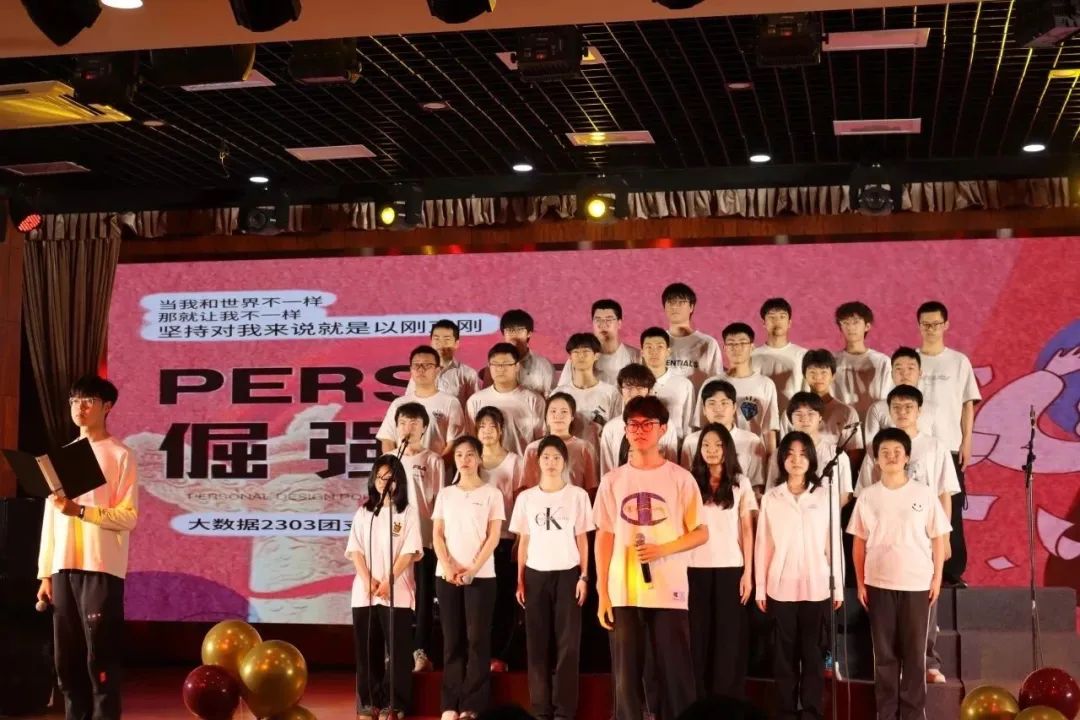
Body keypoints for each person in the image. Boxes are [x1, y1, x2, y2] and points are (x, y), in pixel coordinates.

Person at [594, 396, 708, 720]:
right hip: (624, 590)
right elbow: (604, 535)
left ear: (663, 429)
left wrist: (663, 549)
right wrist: (603, 591)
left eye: (648, 424)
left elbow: (701, 532)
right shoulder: (613, 480)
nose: (640, 430)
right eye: (633, 424)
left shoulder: (680, 478)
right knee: (626, 676)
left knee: (675, 672)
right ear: (625, 430)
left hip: (668, 588)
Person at [36, 375, 138, 720]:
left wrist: (80, 511)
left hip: (101, 567)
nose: (79, 408)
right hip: (63, 567)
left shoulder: (121, 455)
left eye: (88, 401)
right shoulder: (61, 457)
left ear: (107, 407)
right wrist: (45, 574)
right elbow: (51, 519)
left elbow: (128, 516)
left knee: (100, 658)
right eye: (74, 401)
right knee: (67, 659)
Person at [854, 385, 960, 684]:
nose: (902, 412)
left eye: (908, 407)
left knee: (926, 599)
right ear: (889, 411)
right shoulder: (879, 447)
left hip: (923, 534)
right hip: (886, 543)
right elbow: (865, 493)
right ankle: (892, 671)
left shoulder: (934, 446)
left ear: (919, 411)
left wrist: (944, 536)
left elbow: (944, 492)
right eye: (896, 407)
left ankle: (927, 661)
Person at [849, 428, 950, 720]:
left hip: (917, 583)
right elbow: (859, 542)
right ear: (876, 459)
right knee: (884, 656)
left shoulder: (924, 493)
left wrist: (937, 579)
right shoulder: (868, 496)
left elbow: (938, 537)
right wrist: (860, 583)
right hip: (878, 582)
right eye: (885, 452)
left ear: (907, 457)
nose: (891, 457)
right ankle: (886, 713)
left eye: (897, 452)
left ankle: (913, 714)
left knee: (914, 655)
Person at [755, 431, 844, 720]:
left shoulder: (824, 495)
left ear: (811, 459)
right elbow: (763, 544)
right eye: (790, 454)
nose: (796, 460)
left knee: (813, 654)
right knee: (784, 656)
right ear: (782, 459)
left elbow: (833, 544)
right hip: (780, 587)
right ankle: (784, 712)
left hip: (817, 586)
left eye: (803, 454)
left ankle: (811, 712)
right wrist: (760, 588)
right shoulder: (772, 497)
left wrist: (838, 587)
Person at [510, 436, 594, 720]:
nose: (551, 463)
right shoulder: (526, 498)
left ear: (565, 462)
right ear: (538, 462)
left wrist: (584, 576)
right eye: (546, 457)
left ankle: (565, 712)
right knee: (537, 644)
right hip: (535, 575)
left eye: (557, 457)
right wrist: (520, 580)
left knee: (568, 646)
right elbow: (523, 541)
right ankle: (541, 710)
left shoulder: (578, 496)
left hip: (568, 573)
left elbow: (582, 539)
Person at [432, 436, 505, 720]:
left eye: (470, 454)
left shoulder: (492, 494)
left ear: (479, 459)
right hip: (447, 576)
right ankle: (449, 703)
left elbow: (494, 536)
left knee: (477, 640)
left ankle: (472, 704)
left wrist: (473, 569)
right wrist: (448, 565)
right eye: (460, 454)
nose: (465, 459)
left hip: (482, 576)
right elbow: (437, 535)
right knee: (452, 640)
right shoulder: (446, 494)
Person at [347, 455, 423, 720]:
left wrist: (389, 580)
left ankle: (395, 703)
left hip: (397, 591)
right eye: (379, 477)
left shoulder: (407, 513)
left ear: (398, 481)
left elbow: (410, 551)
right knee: (367, 650)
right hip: (365, 593)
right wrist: (369, 580)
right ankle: (368, 702)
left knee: (398, 651)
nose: (383, 482)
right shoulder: (364, 513)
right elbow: (355, 550)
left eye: (388, 478)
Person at [687, 424, 757, 700]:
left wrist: (748, 573)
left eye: (717, 445)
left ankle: (726, 702)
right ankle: (699, 701)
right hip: (694, 567)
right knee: (698, 637)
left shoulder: (741, 482)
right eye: (706, 445)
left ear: (727, 448)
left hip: (731, 567)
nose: (712, 450)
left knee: (728, 639)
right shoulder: (689, 481)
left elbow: (747, 530)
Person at [916, 300, 981, 587]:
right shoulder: (909, 360)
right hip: (916, 449)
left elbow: (968, 405)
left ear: (946, 325)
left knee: (950, 509)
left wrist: (967, 442)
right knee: (916, 509)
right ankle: (920, 568)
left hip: (950, 448)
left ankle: (952, 571)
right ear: (919, 326)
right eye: (926, 324)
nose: (931, 329)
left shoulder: (958, 361)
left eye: (936, 324)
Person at [392, 403, 446, 674]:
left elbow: (439, 502)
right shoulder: (389, 460)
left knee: (424, 596)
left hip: (424, 539)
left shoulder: (433, 460)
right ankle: (396, 650)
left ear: (424, 428)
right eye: (403, 422)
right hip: (395, 540)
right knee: (397, 595)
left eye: (414, 423)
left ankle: (420, 650)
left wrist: (437, 537)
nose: (408, 428)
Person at [475, 406, 526, 674]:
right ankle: (478, 654)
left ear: (501, 430)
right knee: (479, 602)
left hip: (505, 539)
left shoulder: (515, 461)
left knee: (504, 600)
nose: (487, 431)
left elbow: (520, 501)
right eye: (482, 426)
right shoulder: (470, 459)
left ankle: (500, 655)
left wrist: (518, 538)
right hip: (476, 543)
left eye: (491, 426)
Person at [698, 323, 780, 456]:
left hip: (752, 453)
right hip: (716, 454)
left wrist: (771, 462)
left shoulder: (765, 384)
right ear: (724, 348)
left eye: (742, 343)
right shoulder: (711, 383)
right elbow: (701, 425)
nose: (736, 348)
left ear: (752, 347)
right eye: (731, 344)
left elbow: (769, 430)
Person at [378, 345, 468, 455]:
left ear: (437, 370)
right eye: (416, 365)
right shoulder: (398, 404)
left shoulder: (450, 402)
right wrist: (393, 463)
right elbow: (387, 439)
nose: (421, 369)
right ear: (411, 370)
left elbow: (454, 443)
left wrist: (435, 463)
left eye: (427, 365)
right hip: (402, 465)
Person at [680, 379, 767, 490]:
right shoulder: (691, 441)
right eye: (712, 403)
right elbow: (685, 482)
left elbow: (757, 484)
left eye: (724, 403)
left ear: (734, 407)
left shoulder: (752, 441)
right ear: (704, 409)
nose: (718, 409)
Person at [599, 363, 680, 475]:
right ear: (620, 390)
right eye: (628, 387)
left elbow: (672, 467)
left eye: (639, 388)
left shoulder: (665, 425)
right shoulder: (611, 428)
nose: (634, 393)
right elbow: (606, 471)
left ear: (649, 391)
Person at [467, 343, 546, 456]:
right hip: (486, 465)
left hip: (522, 464)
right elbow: (472, 441)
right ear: (489, 366)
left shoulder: (534, 400)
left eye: (506, 364)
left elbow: (541, 442)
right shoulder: (475, 401)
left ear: (517, 366)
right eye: (495, 364)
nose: (500, 369)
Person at [552, 332, 622, 457]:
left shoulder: (611, 393)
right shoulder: (558, 394)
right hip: (566, 458)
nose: (581, 356)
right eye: (576, 352)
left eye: (586, 352)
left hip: (600, 458)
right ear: (570, 357)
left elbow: (617, 431)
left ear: (596, 355)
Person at [782, 349, 863, 455]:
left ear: (833, 376)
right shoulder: (792, 412)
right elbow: (783, 449)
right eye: (812, 372)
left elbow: (855, 451)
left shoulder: (847, 412)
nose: (818, 377)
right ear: (804, 376)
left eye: (823, 372)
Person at [522, 393, 598, 494]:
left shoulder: (584, 448)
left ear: (572, 417)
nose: (558, 416)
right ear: (546, 417)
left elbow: (591, 488)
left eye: (564, 411)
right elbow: (527, 488)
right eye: (553, 411)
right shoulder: (532, 449)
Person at [863, 347, 943, 443]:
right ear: (892, 374)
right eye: (899, 368)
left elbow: (941, 445)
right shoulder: (877, 408)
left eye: (910, 368)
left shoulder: (934, 409)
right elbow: (871, 446)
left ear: (920, 373)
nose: (904, 373)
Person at [831, 302, 893, 420]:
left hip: (876, 424)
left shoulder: (882, 362)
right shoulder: (832, 361)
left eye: (856, 322)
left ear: (867, 326)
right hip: (842, 424)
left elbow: (888, 399)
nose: (850, 327)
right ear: (840, 327)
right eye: (845, 323)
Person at [556, 299, 641, 386]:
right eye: (598, 320)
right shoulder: (579, 357)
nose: (603, 325)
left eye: (609, 320)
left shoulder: (635, 356)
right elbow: (562, 390)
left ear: (619, 323)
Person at [405, 319, 482, 408]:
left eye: (446, 339)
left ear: (456, 343)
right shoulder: (421, 372)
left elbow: (476, 407)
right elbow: (408, 402)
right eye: (436, 339)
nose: (441, 344)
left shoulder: (468, 374)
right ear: (431, 342)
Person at [751, 298, 807, 417]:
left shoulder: (803, 355)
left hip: (793, 420)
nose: (777, 321)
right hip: (761, 420)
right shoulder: (752, 356)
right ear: (763, 323)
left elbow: (808, 392)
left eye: (782, 317)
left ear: (789, 323)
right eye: (772, 317)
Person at [661, 282, 723, 390]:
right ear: (664, 308)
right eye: (670, 302)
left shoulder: (707, 343)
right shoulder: (655, 342)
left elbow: (717, 383)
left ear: (691, 307)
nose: (675, 306)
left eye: (681, 302)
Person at [640, 327, 696, 441]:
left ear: (668, 352)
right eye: (649, 347)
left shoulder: (684, 385)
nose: (654, 352)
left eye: (659, 347)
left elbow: (689, 426)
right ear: (642, 353)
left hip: (675, 447)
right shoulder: (634, 385)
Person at [496, 309, 556, 395]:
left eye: (519, 330)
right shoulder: (494, 364)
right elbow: (487, 396)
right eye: (510, 330)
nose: (514, 335)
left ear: (529, 333)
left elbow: (551, 398)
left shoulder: (543, 364)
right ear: (503, 334)